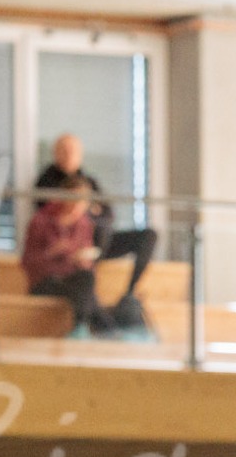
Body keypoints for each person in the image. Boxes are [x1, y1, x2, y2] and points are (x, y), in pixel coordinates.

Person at [34, 133, 155, 329]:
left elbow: (108, 214)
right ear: (55, 153)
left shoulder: (90, 182)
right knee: (85, 275)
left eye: (73, 150)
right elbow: (56, 219)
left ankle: (129, 294)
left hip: (98, 243)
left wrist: (89, 215)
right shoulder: (45, 183)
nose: (69, 154)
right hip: (68, 254)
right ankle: (105, 325)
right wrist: (88, 212)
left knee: (147, 236)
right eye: (64, 150)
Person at [22, 176, 112, 337]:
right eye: (73, 198)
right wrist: (51, 253)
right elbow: (28, 262)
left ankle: (86, 327)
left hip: (74, 281)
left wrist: (81, 262)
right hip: (45, 282)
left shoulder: (84, 223)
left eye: (82, 200)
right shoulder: (41, 220)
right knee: (86, 292)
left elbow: (87, 265)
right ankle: (103, 328)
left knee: (86, 279)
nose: (77, 205)